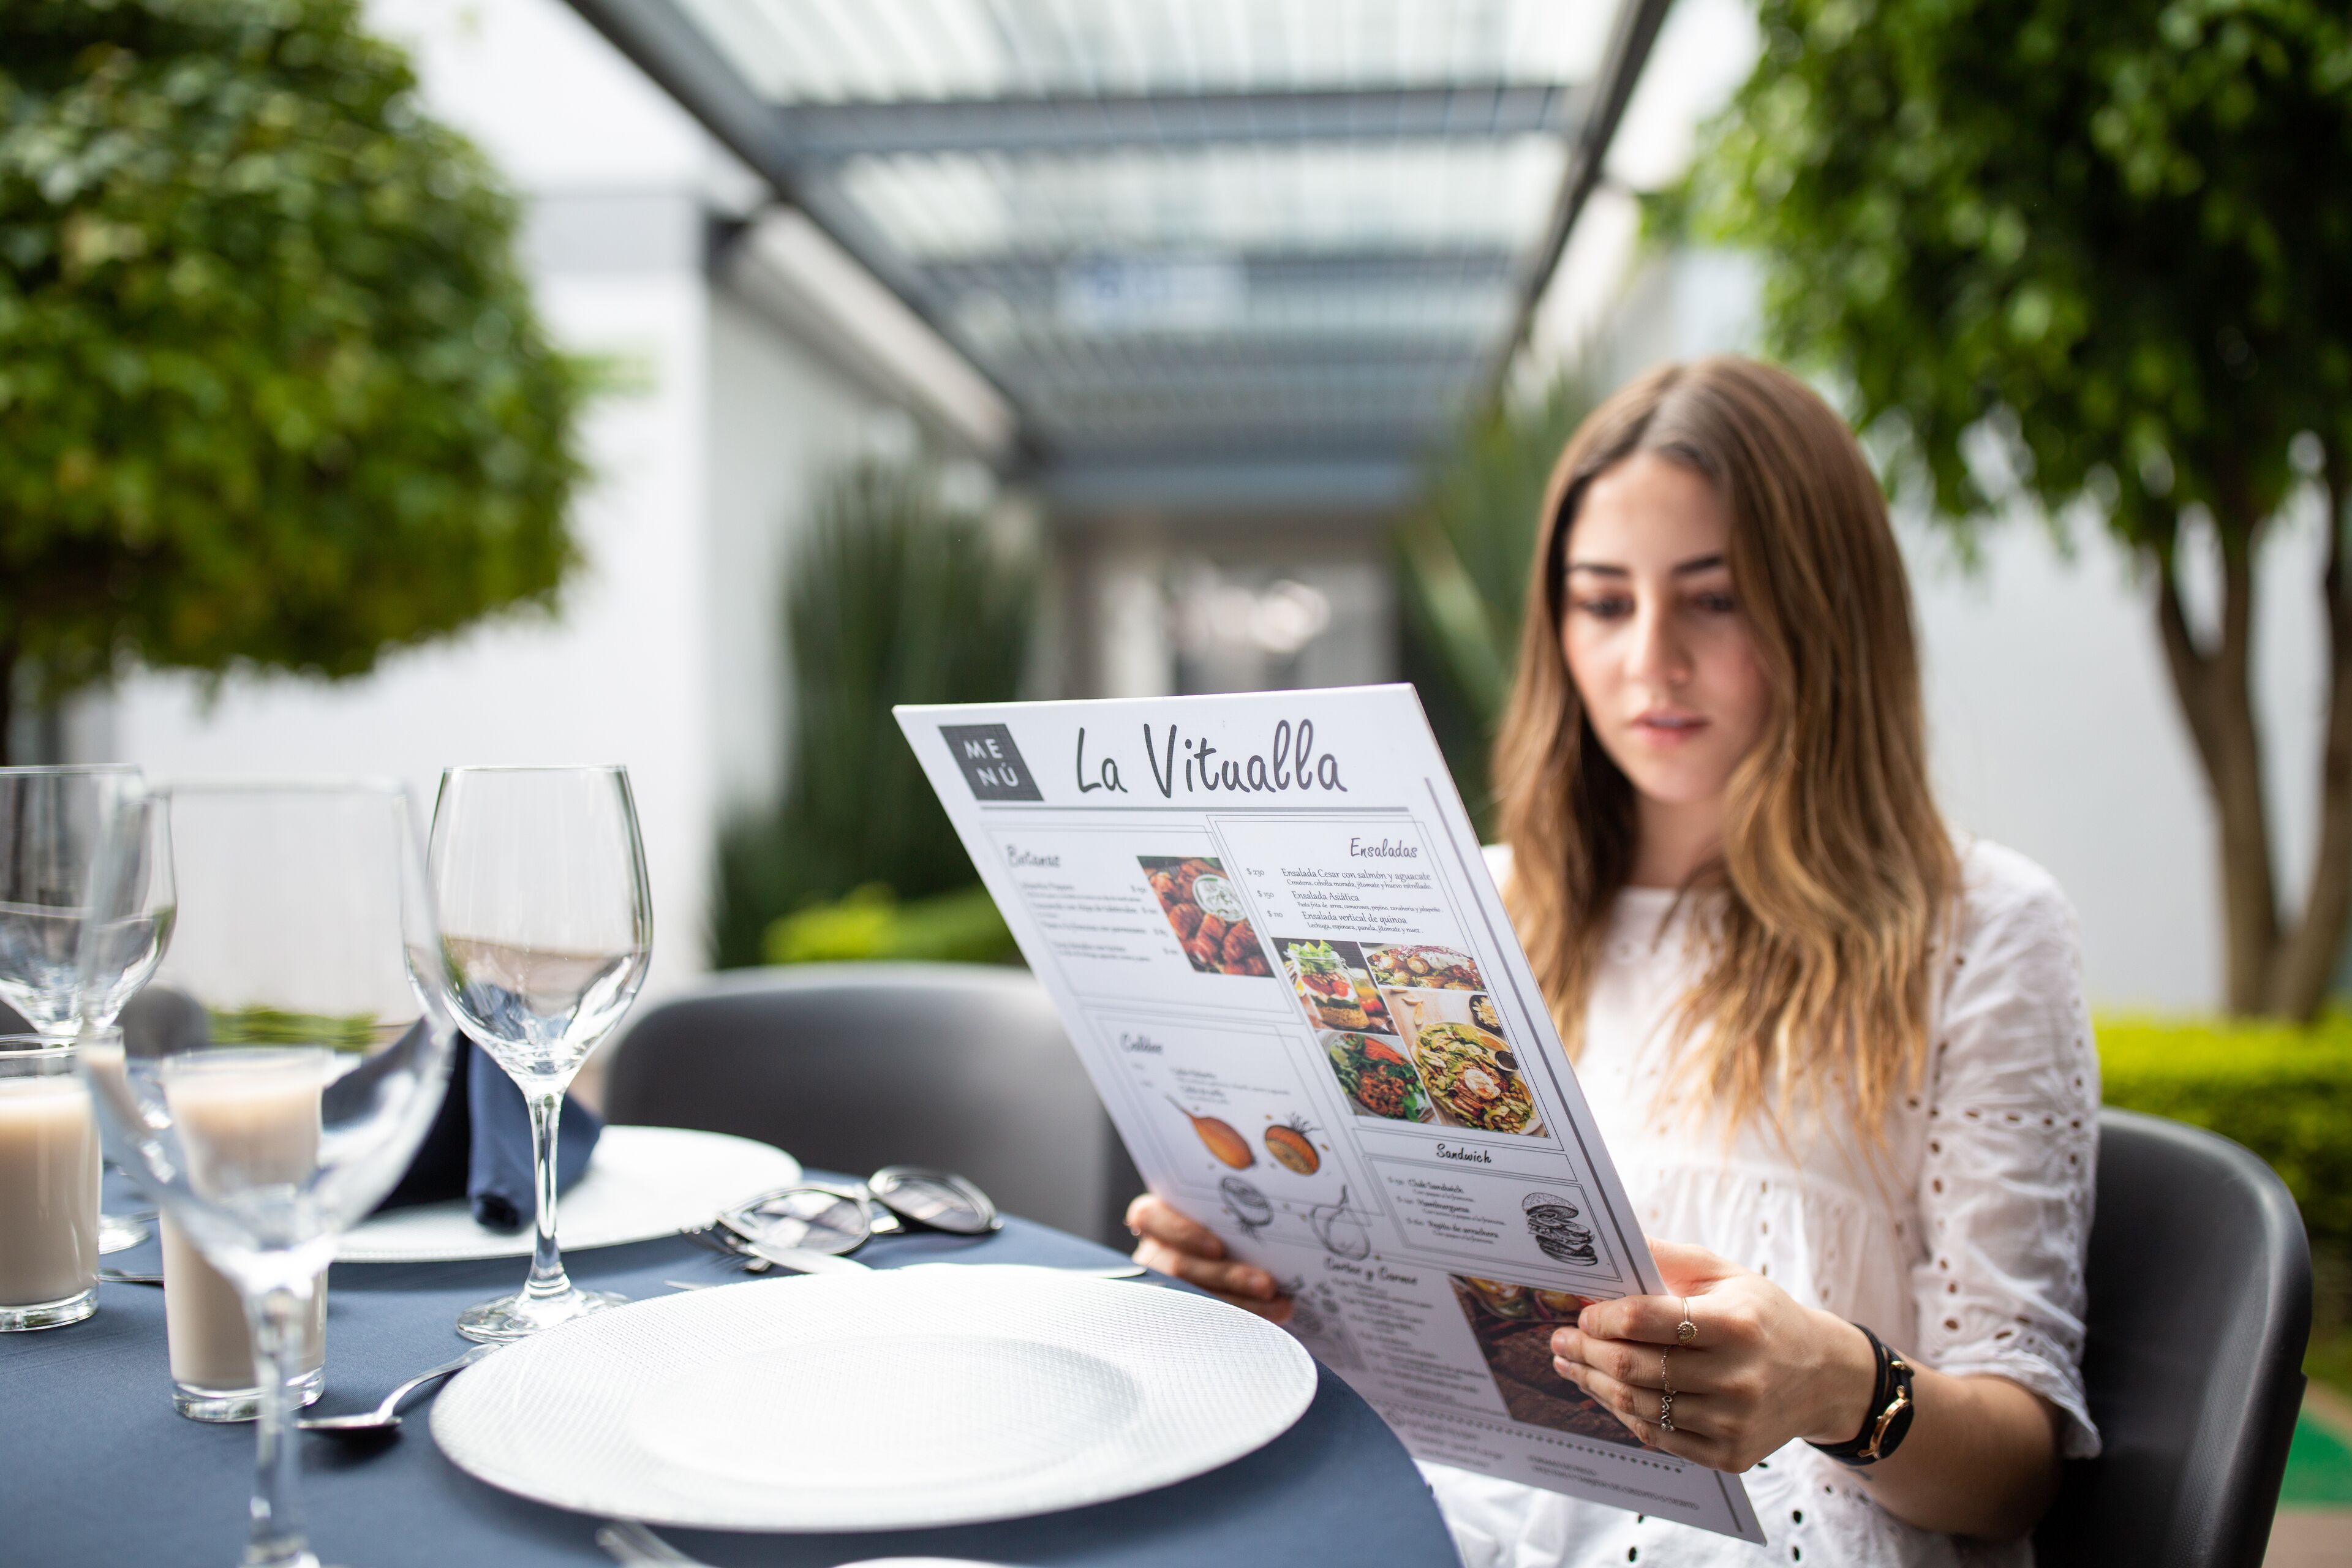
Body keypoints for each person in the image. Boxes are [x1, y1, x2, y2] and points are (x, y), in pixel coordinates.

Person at [1128, 357, 2098, 1566]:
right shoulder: (1461, 899)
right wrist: (1257, 1267)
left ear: (1825, 608)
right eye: (1603, 602)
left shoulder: (1981, 926)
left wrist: (1838, 1385)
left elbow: (2016, 1472)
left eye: (1717, 597)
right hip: (1448, 1521)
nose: (1651, 660)